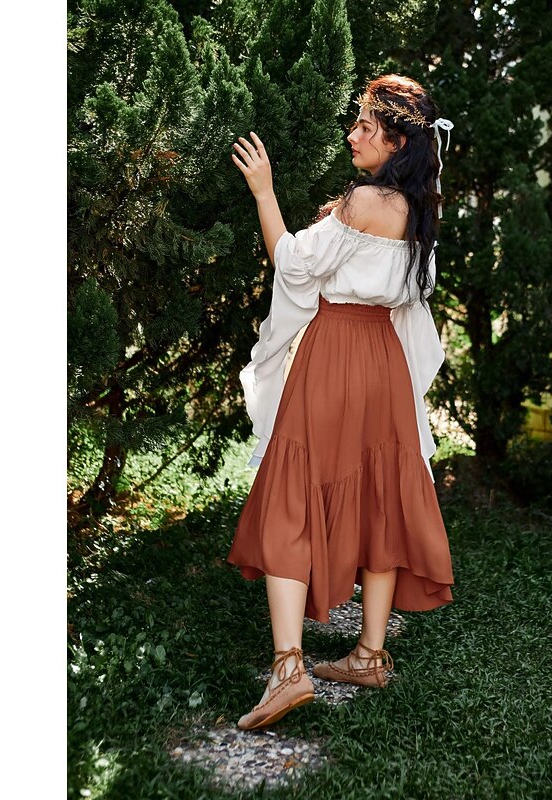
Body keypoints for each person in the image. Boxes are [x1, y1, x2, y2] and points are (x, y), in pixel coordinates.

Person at [227, 74, 456, 730]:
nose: (352, 134)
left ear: (397, 141)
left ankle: (289, 669)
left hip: (334, 356)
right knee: (382, 499)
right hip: (383, 364)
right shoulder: (420, 209)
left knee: (291, 494)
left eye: (365, 125)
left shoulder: (361, 202)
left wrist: (264, 192)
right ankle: (369, 655)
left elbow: (292, 264)